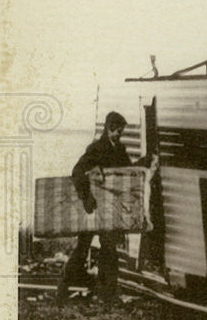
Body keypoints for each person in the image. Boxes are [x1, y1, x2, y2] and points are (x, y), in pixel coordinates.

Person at [56, 111, 158, 305]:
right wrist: (86, 197)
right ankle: (62, 289)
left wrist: (143, 163)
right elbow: (77, 172)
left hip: (109, 212)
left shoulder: (119, 150)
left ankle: (107, 294)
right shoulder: (95, 148)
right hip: (91, 209)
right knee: (82, 249)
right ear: (108, 128)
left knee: (109, 250)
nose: (119, 135)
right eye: (117, 132)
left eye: (121, 132)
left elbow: (126, 173)